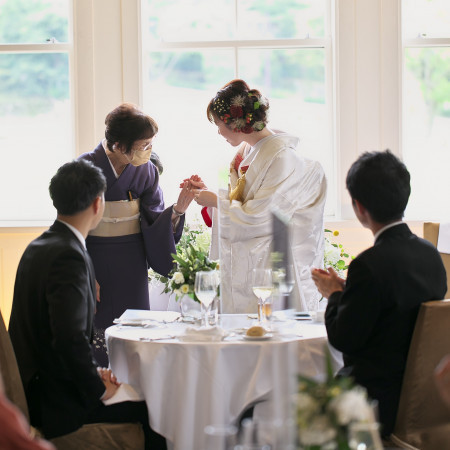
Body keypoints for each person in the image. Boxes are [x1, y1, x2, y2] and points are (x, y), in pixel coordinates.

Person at [8, 160, 166, 449]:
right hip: (56, 401)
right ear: (98, 203)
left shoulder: (40, 245)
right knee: (160, 413)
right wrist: (98, 388)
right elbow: (68, 340)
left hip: (40, 384)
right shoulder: (68, 256)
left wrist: (94, 371)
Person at [311, 150, 447, 437]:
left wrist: (334, 294)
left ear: (359, 207)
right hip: (426, 398)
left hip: (373, 402)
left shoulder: (369, 265)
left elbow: (343, 339)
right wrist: (351, 292)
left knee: (266, 410)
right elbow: (397, 307)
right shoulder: (430, 254)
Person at [191, 79, 327, 314]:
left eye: (218, 124)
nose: (218, 131)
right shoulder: (246, 152)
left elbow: (264, 217)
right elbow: (243, 202)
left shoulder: (284, 158)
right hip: (250, 260)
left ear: (235, 123)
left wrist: (216, 201)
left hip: (271, 263)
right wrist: (210, 198)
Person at [79, 103, 198, 366]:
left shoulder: (146, 170)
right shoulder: (84, 168)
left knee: (133, 324)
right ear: (120, 145)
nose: (149, 151)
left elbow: (153, 217)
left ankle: (134, 385)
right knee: (96, 324)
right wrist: (85, 271)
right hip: (93, 255)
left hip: (131, 260)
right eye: (143, 145)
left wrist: (178, 209)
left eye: (150, 144)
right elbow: (73, 225)